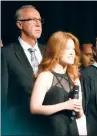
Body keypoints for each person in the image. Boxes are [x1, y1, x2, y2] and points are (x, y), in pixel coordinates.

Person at [30, 31, 87, 136]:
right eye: (67, 49)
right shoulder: (46, 76)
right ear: (55, 50)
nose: (72, 53)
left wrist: (78, 109)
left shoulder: (74, 79)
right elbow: (34, 108)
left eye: (73, 49)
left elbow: (79, 115)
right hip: (51, 130)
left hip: (72, 130)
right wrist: (65, 105)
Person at [1, 5, 45, 135]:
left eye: (40, 20)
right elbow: (2, 96)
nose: (38, 24)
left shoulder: (49, 51)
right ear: (20, 25)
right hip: (20, 126)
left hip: (48, 125)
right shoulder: (6, 54)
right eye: (32, 19)